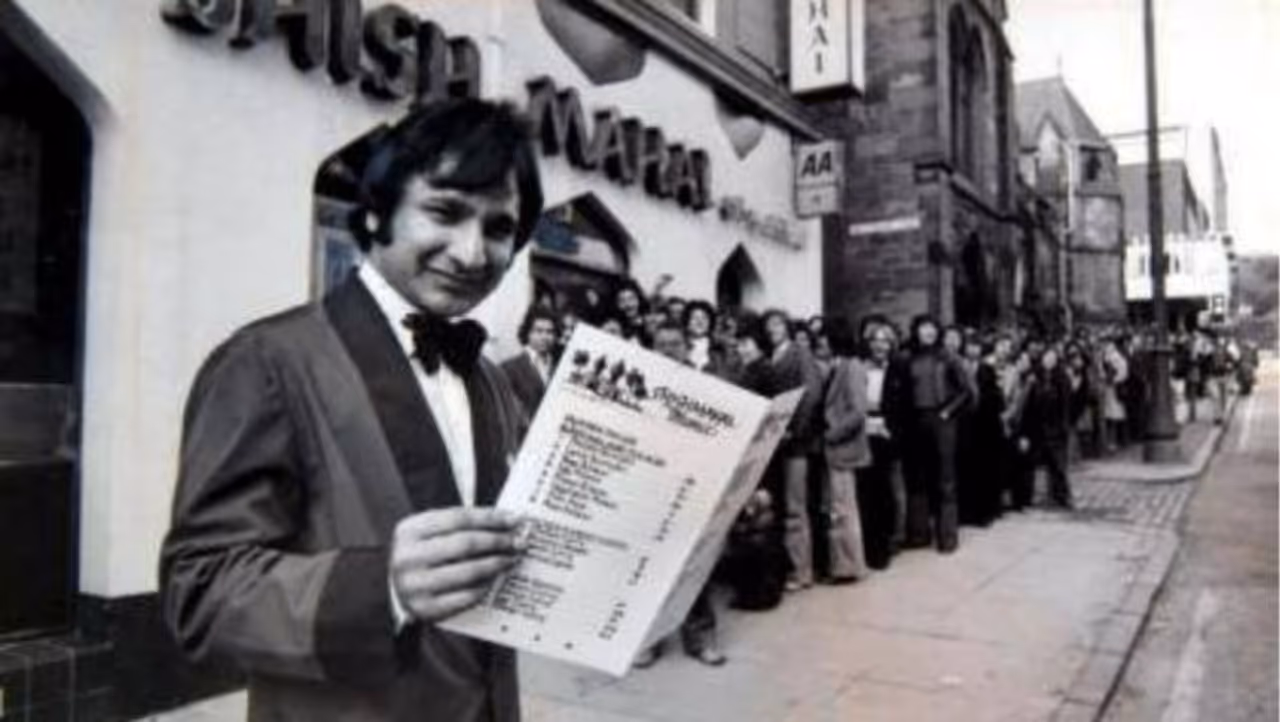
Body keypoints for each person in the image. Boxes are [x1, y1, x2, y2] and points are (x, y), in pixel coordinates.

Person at [159, 99, 543, 722]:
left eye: (499, 229)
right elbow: (199, 593)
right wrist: (384, 587)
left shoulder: (491, 381)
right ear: (375, 213)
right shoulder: (266, 361)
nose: (472, 253)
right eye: (445, 212)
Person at [635, 321, 727, 667]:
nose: (668, 349)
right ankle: (648, 640)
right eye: (661, 343)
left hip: (691, 483)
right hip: (652, 482)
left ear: (686, 348)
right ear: (652, 347)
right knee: (649, 566)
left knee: (694, 566)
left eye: (675, 343)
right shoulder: (640, 382)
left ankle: (701, 638)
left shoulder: (704, 386)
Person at [884, 315, 971, 553]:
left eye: (932, 328)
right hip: (915, 420)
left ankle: (948, 537)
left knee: (945, 479)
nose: (928, 332)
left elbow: (966, 391)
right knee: (917, 477)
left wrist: (947, 412)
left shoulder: (948, 356)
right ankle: (919, 533)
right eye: (924, 328)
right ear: (916, 331)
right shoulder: (906, 357)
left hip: (942, 421)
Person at [763, 309, 826, 590]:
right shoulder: (769, 356)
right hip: (773, 442)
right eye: (768, 325)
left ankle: (802, 571)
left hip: (796, 442)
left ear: (787, 327)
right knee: (779, 506)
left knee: (795, 507)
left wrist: (796, 430)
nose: (772, 329)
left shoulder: (800, 353)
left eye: (777, 323)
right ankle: (784, 568)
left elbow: (812, 394)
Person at [820, 319, 871, 582]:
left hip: (842, 448)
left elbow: (858, 412)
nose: (820, 343)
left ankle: (849, 567)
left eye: (824, 338)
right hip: (838, 448)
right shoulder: (839, 366)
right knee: (840, 508)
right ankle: (844, 565)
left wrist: (832, 434)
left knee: (843, 509)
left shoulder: (851, 367)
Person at [856, 319, 900, 570]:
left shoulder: (897, 369)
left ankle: (883, 548)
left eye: (885, 341)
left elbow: (903, 404)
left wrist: (891, 430)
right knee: (865, 491)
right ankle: (866, 546)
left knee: (884, 491)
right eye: (875, 340)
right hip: (863, 433)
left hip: (886, 435)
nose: (880, 345)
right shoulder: (860, 368)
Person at [1017, 346, 1075, 509]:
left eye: (1052, 358)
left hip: (1055, 427)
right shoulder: (1034, 377)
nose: (1049, 361)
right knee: (1030, 463)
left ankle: (1062, 496)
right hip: (1036, 427)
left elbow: (1066, 405)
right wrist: (1025, 430)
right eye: (1046, 358)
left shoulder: (1062, 378)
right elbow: (1027, 405)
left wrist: (1064, 426)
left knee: (1058, 464)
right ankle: (1026, 497)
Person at [501, 306, 560, 417]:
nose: (544, 337)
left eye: (550, 332)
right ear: (527, 333)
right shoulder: (509, 368)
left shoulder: (559, 368)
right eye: (539, 331)